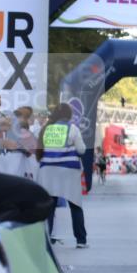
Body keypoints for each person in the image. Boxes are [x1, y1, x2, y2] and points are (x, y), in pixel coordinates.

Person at [37, 103, 89, 248]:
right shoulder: (72, 129)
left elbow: (40, 149)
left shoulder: (45, 129)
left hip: (48, 171)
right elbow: (82, 150)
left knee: (49, 205)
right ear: (69, 115)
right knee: (75, 205)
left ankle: (46, 238)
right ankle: (81, 240)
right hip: (68, 170)